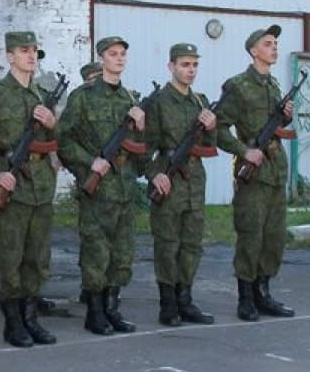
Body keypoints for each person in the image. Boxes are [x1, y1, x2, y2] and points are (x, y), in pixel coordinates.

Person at [0, 31, 57, 347]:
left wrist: (51, 123)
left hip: (41, 186)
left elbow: (55, 142)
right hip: (13, 185)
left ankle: (31, 318)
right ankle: (13, 323)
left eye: (35, 50)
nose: (31, 56)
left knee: (38, 257)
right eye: (24, 51)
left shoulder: (43, 95)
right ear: (10, 56)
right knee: (12, 257)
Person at [57, 36, 144, 336]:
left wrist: (141, 127)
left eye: (122, 54)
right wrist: (88, 163)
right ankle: (95, 313)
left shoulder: (131, 100)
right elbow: (63, 140)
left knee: (122, 253)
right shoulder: (83, 96)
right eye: (113, 54)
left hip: (124, 188)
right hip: (98, 188)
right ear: (102, 58)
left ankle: (112, 309)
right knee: (97, 253)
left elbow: (141, 149)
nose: (119, 59)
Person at [216, 25, 296, 321]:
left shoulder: (273, 85)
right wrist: (242, 150)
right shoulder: (237, 85)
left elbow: (275, 126)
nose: (274, 48)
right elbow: (218, 128)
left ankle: (264, 292)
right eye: (268, 43)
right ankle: (246, 297)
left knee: (274, 237)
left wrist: (284, 116)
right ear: (253, 50)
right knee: (251, 235)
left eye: (275, 43)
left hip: (275, 171)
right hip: (253, 173)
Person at [144, 43, 217, 327]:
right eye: (185, 65)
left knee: (191, 245)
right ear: (171, 67)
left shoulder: (200, 101)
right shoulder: (159, 103)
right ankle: (168, 304)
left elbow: (209, 146)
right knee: (167, 244)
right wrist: (154, 174)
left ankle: (186, 300)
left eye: (194, 65)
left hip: (194, 184)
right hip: (169, 183)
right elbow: (143, 148)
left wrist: (211, 128)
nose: (190, 70)